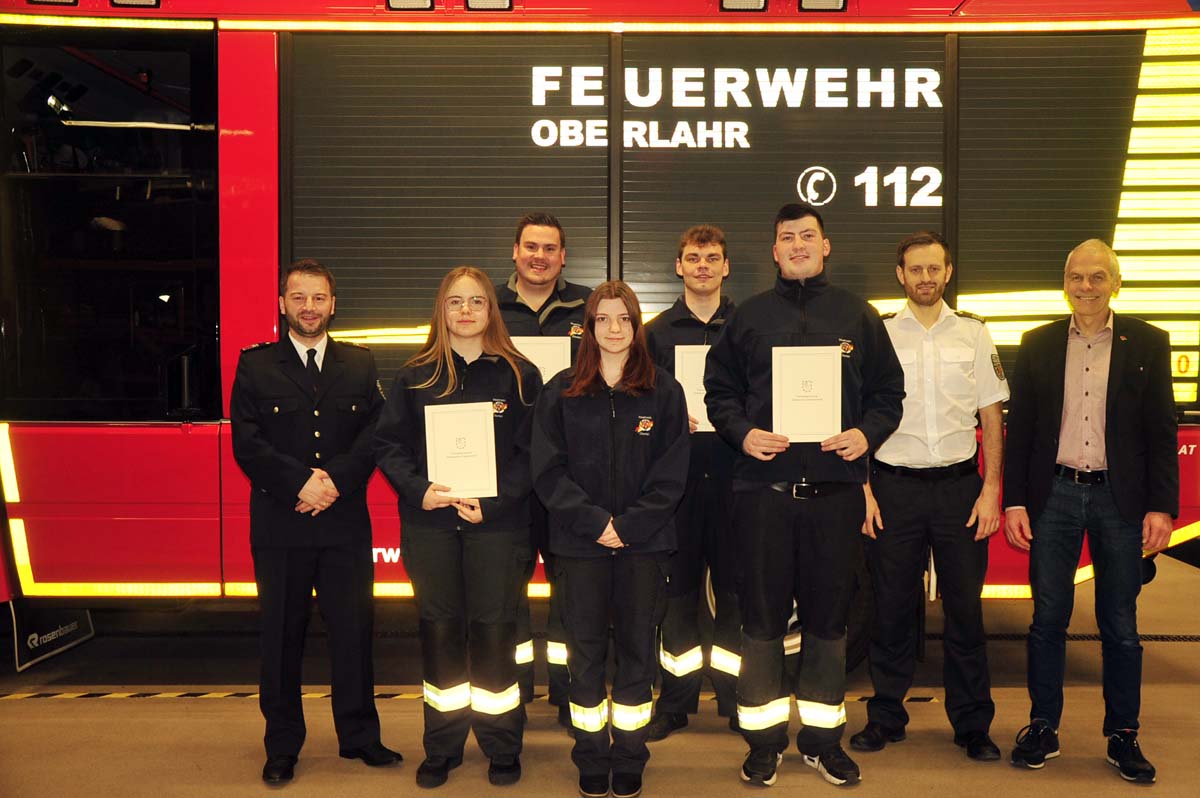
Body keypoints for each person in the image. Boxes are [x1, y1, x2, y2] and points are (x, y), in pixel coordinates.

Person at [704, 203, 904, 788]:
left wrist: (866, 433)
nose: (797, 245)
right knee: (761, 622)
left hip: (834, 497)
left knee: (828, 620)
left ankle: (821, 741)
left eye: (807, 236)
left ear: (826, 245)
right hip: (763, 495)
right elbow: (719, 394)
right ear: (773, 250)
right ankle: (763, 743)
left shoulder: (858, 317)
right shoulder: (748, 319)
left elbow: (888, 393)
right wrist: (744, 434)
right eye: (786, 237)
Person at [1003, 239, 1178, 783]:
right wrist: (1014, 499)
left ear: (1115, 283)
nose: (1086, 286)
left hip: (1119, 501)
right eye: (1077, 276)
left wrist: (1161, 507)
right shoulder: (1037, 343)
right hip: (1053, 496)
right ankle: (1042, 727)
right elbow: (1023, 431)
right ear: (1065, 282)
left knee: (1120, 625)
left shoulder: (1148, 342)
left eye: (1097, 277)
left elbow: (1161, 432)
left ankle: (1123, 735)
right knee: (1047, 620)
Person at [230, 258, 400, 786]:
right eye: (298, 297)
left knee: (354, 632)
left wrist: (334, 483)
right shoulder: (255, 365)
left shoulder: (360, 363)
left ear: (333, 303)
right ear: (283, 304)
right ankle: (281, 745)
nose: (309, 307)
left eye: (319, 298)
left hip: (343, 522)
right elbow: (247, 442)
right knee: (281, 637)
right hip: (281, 524)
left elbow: (376, 434)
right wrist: (300, 483)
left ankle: (360, 737)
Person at [374, 266, 542, 789]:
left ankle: (501, 746)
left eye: (476, 301)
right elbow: (388, 446)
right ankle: (442, 746)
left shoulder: (519, 375)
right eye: (455, 302)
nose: (466, 311)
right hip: (432, 527)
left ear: (491, 310)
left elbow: (532, 453)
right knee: (440, 633)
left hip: (497, 528)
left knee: (496, 636)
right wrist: (418, 489)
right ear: (440, 311)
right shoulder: (413, 376)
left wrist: (492, 503)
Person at [851, 231, 1007, 761]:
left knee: (965, 611)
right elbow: (860, 418)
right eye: (914, 269)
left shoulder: (974, 335)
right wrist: (865, 489)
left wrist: (991, 489)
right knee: (891, 609)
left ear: (948, 272)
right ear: (900, 274)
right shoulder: (879, 335)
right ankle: (886, 718)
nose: (924, 278)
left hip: (960, 489)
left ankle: (971, 725)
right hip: (894, 487)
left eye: (933, 269)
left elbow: (991, 415)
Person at [532, 281, 690, 798]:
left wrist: (629, 527)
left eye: (624, 319)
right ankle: (591, 755)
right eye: (604, 319)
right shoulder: (560, 391)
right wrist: (596, 523)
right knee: (585, 655)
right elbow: (548, 471)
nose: (615, 328)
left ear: (636, 325)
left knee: (638, 652)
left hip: (644, 547)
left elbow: (671, 475)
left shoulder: (664, 392)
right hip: (580, 547)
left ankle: (629, 755)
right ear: (589, 327)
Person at [643, 224, 742, 740]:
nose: (702, 265)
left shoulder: (748, 326)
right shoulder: (654, 334)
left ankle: (734, 699)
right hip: (676, 485)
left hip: (734, 478)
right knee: (677, 596)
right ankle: (675, 703)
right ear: (679, 267)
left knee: (733, 592)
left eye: (712, 257)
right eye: (692, 257)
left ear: (726, 267)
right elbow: (639, 407)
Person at [495, 212, 591, 719]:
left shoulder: (589, 307)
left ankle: (569, 696)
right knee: (507, 596)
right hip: (505, 475)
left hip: (569, 476)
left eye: (549, 248)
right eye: (530, 246)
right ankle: (511, 700)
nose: (539, 256)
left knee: (572, 594)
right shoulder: (485, 306)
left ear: (562, 257)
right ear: (515, 251)